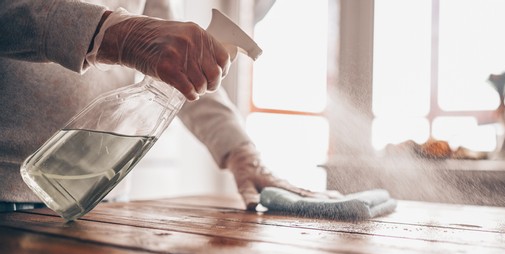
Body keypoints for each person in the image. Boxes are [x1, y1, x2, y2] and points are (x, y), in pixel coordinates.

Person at [0, 0, 338, 212]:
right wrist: (113, 34)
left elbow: (182, 73)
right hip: (6, 191)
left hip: (100, 199)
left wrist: (240, 151)